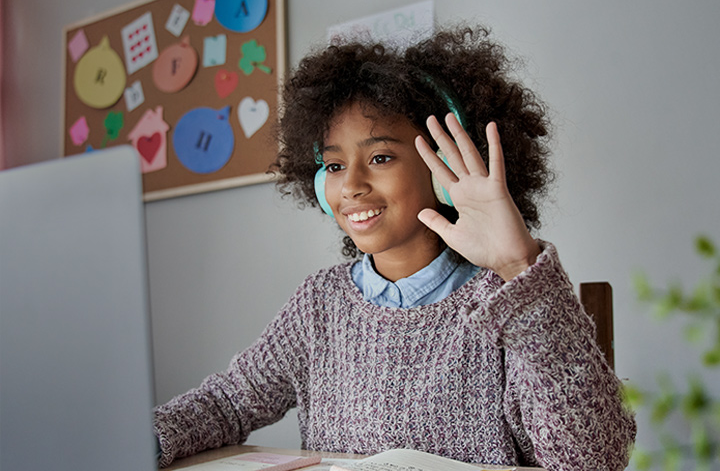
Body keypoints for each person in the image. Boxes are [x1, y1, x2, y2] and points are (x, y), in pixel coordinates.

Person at [153, 26, 636, 470]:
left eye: (380, 157)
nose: (352, 186)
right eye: (335, 165)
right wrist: (143, 438)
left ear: (445, 171)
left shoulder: (513, 300)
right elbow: (229, 402)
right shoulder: (318, 305)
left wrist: (518, 266)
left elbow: (593, 459)